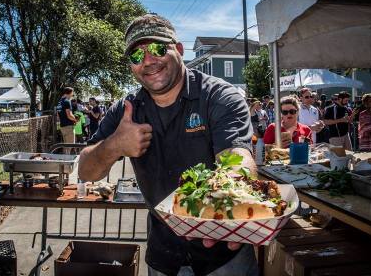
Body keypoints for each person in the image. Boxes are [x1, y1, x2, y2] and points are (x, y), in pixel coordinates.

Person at [78, 14, 257, 276]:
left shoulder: (219, 96)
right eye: (137, 56)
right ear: (131, 66)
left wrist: (232, 200)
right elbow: (85, 171)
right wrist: (115, 145)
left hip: (224, 250)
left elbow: (237, 157)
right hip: (164, 255)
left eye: (158, 49)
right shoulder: (126, 110)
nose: (148, 61)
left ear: (179, 50)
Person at [56, 87, 77, 153]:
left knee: (66, 145)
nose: (72, 95)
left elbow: (58, 116)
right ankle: (67, 161)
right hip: (68, 126)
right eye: (72, 93)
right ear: (70, 93)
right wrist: (75, 119)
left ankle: (65, 160)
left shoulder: (59, 102)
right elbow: (69, 115)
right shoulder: (67, 101)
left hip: (62, 126)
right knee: (70, 145)